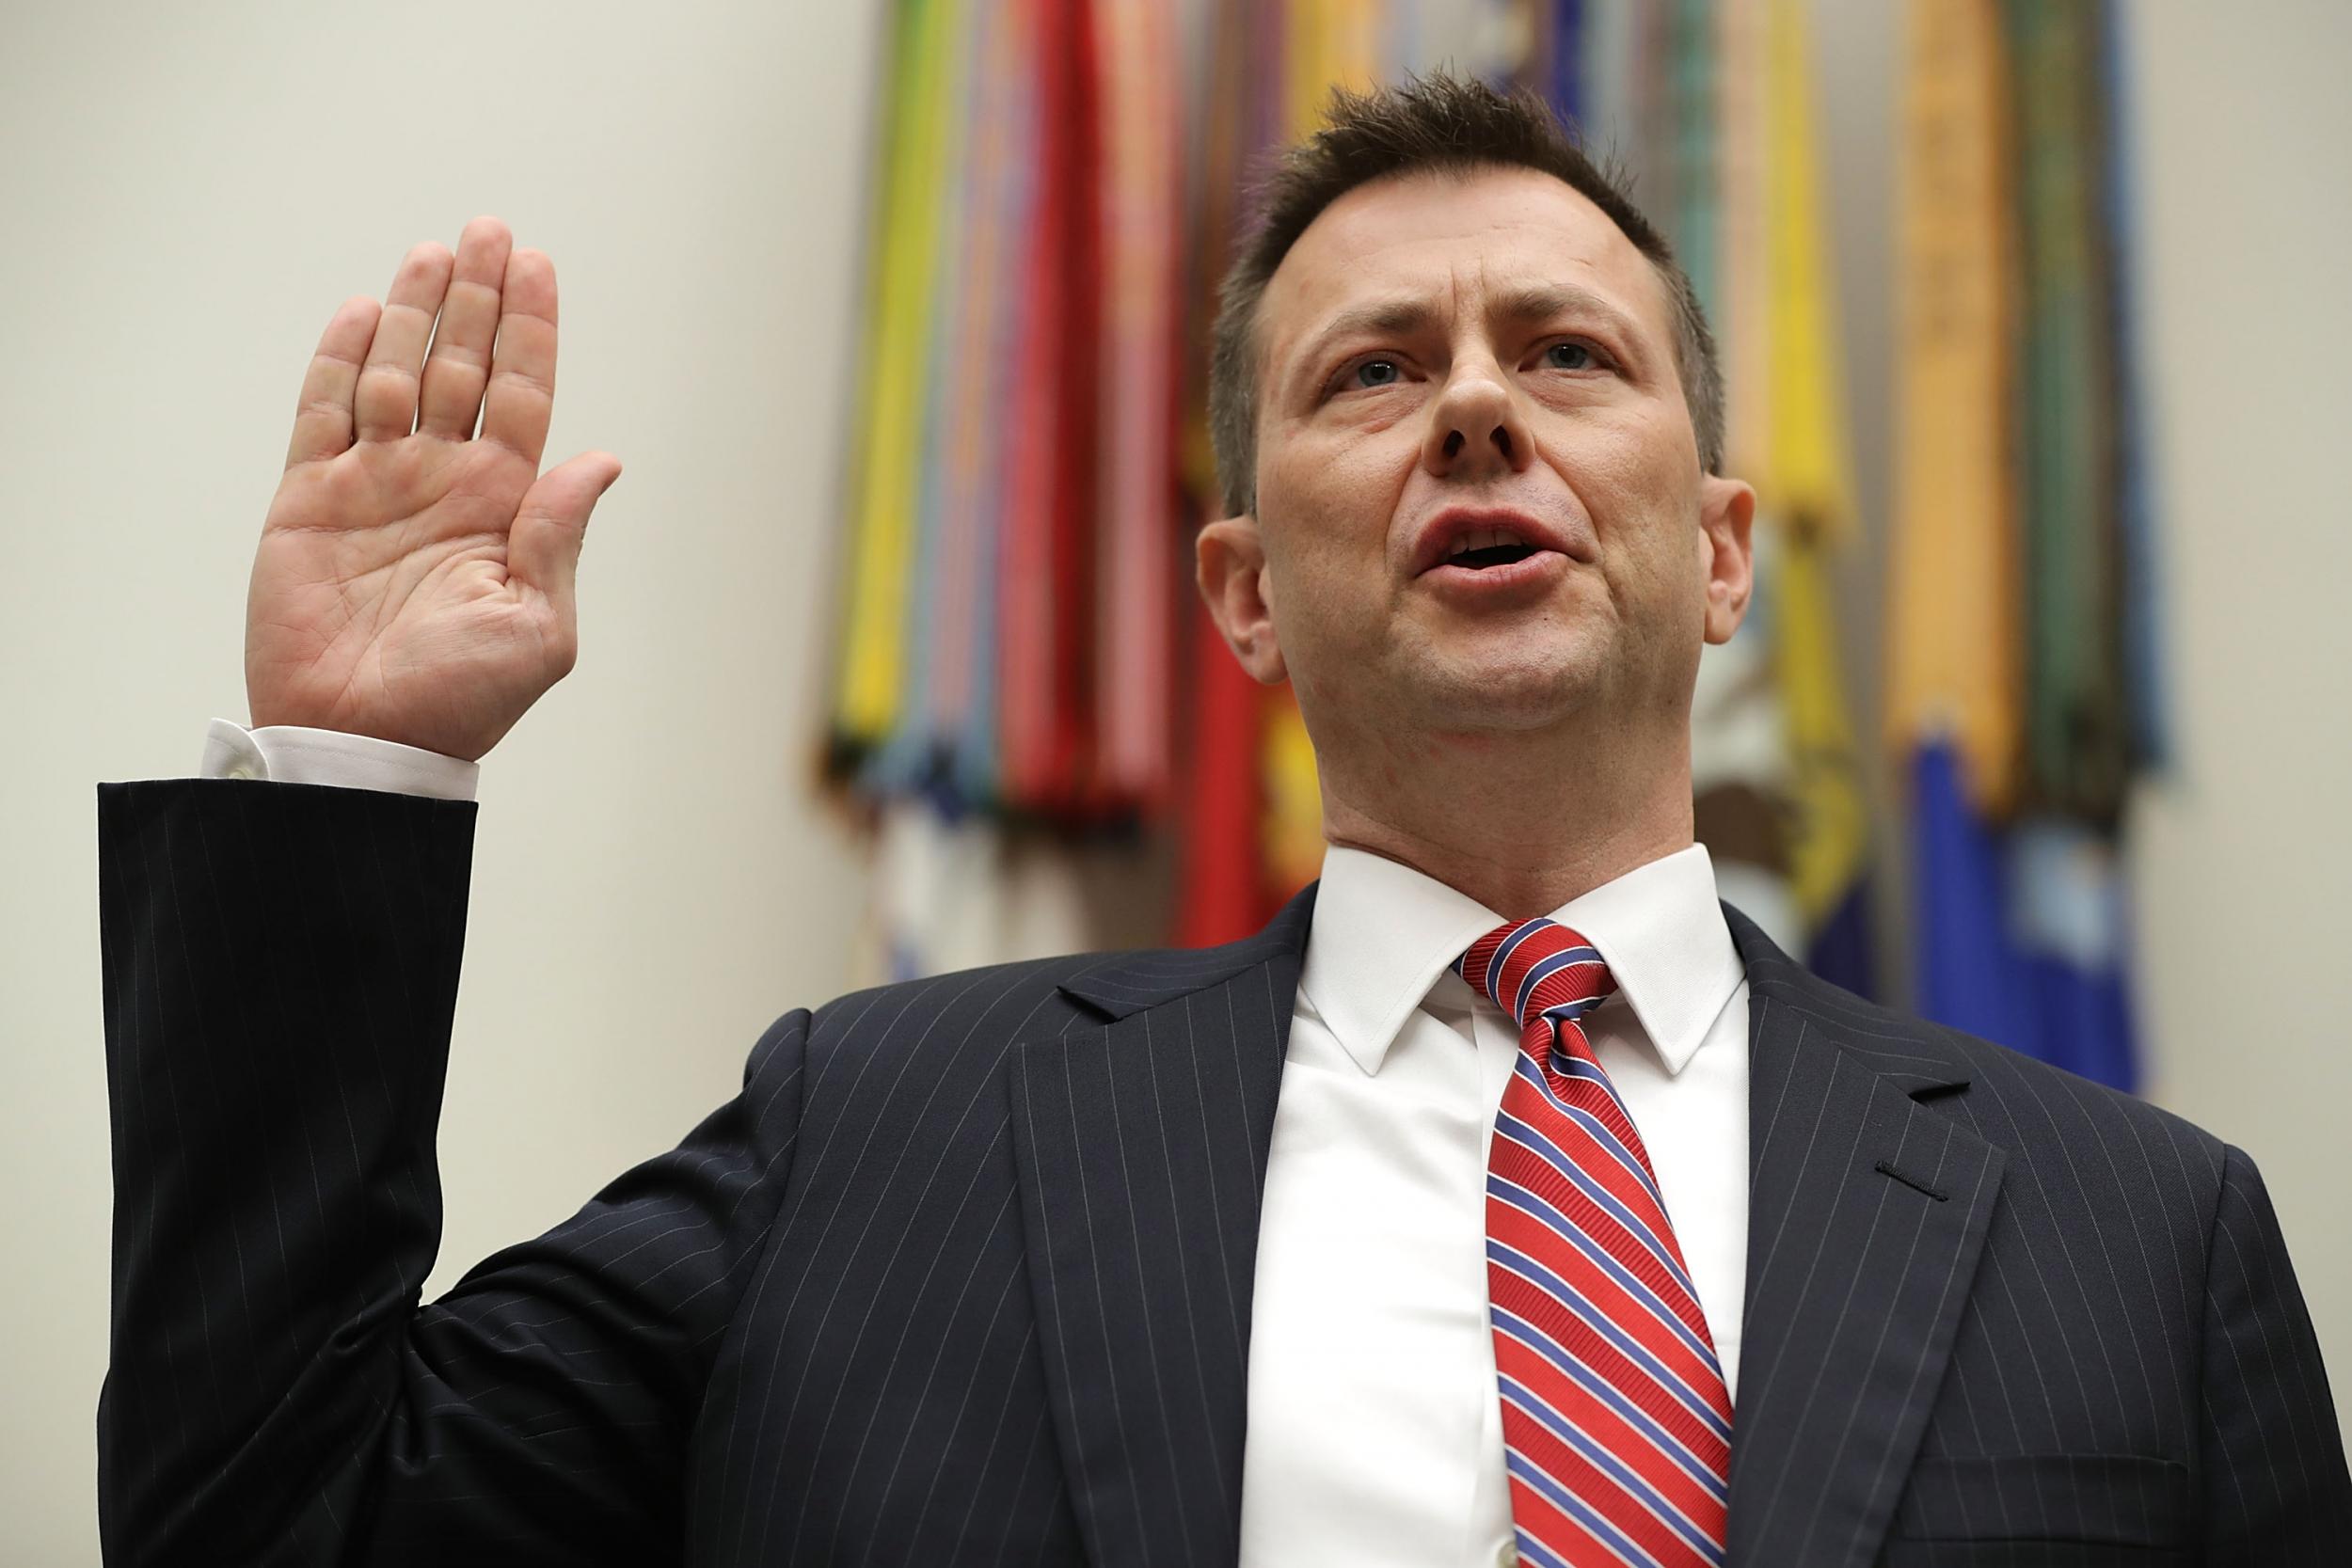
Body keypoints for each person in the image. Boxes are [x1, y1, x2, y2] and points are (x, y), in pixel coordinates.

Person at [96, 73, 2346, 1567]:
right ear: (1243, 588)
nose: (1475, 403)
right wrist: (360, 770)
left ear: (1728, 546)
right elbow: (270, 1523)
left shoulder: (2140, 1237)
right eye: (1371, 375)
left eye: (1566, 355)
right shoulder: (870, 1135)